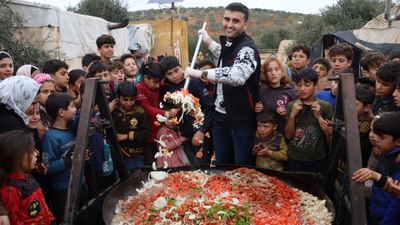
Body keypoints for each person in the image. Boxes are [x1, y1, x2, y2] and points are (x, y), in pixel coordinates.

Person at [186, 2, 261, 166]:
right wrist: (207, 40)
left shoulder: (247, 48)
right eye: (227, 19)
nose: (230, 24)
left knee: (241, 167)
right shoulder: (231, 45)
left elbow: (237, 75)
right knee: (221, 165)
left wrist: (201, 73)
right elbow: (224, 55)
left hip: (240, 120)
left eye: (236, 21)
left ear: (245, 24)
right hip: (220, 117)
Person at [41, 93, 87, 223]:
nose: (75, 109)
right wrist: (70, 160)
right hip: (63, 191)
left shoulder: (73, 131)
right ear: (61, 111)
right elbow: (48, 166)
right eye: (72, 106)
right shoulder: (51, 137)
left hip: (81, 183)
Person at [161, 56, 215, 165]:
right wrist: (170, 113)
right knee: (189, 169)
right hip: (181, 137)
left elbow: (210, 107)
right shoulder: (167, 90)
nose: (174, 76)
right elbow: (165, 109)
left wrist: (202, 131)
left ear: (181, 67)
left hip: (200, 134)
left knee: (202, 167)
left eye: (176, 70)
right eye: (169, 74)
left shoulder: (194, 83)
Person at [352, 112, 400, 225]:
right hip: (376, 209)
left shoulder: (397, 164)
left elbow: (396, 203)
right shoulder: (386, 152)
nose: (375, 138)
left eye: (381, 137)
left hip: (386, 217)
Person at [0, 130, 56, 225]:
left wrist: (51, 219)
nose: (36, 154)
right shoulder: (11, 189)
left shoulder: (28, 177)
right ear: (17, 158)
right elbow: (16, 221)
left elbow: (43, 204)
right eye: (31, 151)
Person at [284, 68, 333, 175]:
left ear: (316, 85)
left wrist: (319, 116)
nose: (302, 89)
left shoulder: (325, 106)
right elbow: (288, 135)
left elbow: (330, 135)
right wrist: (292, 115)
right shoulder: (292, 106)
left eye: (307, 85)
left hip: (317, 159)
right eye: (299, 85)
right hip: (295, 158)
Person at [136, 62, 179, 165]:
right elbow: (147, 108)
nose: (157, 85)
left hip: (160, 132)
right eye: (155, 82)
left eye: (159, 82)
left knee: (163, 162)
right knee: (151, 164)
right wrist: (166, 113)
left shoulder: (159, 85)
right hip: (147, 133)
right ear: (145, 77)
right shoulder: (139, 88)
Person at [112, 81, 150, 171]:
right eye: (125, 99)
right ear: (118, 97)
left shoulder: (140, 112)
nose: (129, 103)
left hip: (136, 156)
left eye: (132, 99)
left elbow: (146, 133)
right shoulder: (113, 112)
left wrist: (126, 136)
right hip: (117, 156)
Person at [254, 56, 297, 135]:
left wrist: (287, 115)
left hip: (285, 137)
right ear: (265, 74)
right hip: (266, 138)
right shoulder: (261, 92)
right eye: (269, 70)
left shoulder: (292, 92)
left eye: (276, 69)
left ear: (282, 72)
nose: (273, 73)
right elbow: (257, 118)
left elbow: (298, 118)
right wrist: (257, 110)